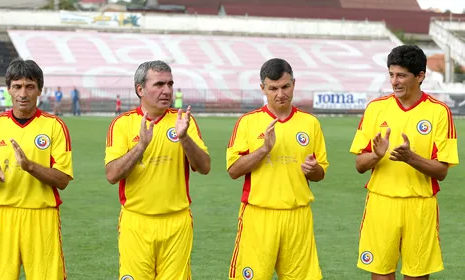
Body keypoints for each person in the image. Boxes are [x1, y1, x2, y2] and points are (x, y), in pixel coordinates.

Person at [350, 45, 459, 280]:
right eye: (391, 74)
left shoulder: (439, 112)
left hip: (420, 206)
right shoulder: (375, 108)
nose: (394, 81)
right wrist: (376, 155)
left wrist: (411, 158)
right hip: (381, 203)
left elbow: (441, 171)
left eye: (401, 75)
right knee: (380, 273)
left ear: (420, 76)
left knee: (417, 275)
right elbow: (359, 165)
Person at [105, 60, 211, 279]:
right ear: (140, 89)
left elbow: (204, 167)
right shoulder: (122, 124)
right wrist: (141, 146)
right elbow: (112, 175)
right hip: (136, 222)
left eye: (170, 84)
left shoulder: (182, 121)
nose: (167, 90)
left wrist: (184, 138)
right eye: (159, 84)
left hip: (177, 222)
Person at [0, 58, 73, 280]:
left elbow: (63, 180)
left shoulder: (54, 126)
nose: (23, 93)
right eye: (17, 87)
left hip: (42, 216)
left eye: (30, 86)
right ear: (8, 89)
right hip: (2, 216)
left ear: (39, 90)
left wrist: (30, 167)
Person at [227, 58, 328, 279]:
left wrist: (313, 170)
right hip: (259, 216)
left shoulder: (310, 123)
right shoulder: (248, 122)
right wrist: (263, 150)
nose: (280, 94)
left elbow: (320, 173)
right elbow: (233, 170)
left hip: (298, 217)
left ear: (294, 83)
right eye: (272, 88)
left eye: (285, 87)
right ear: (262, 88)